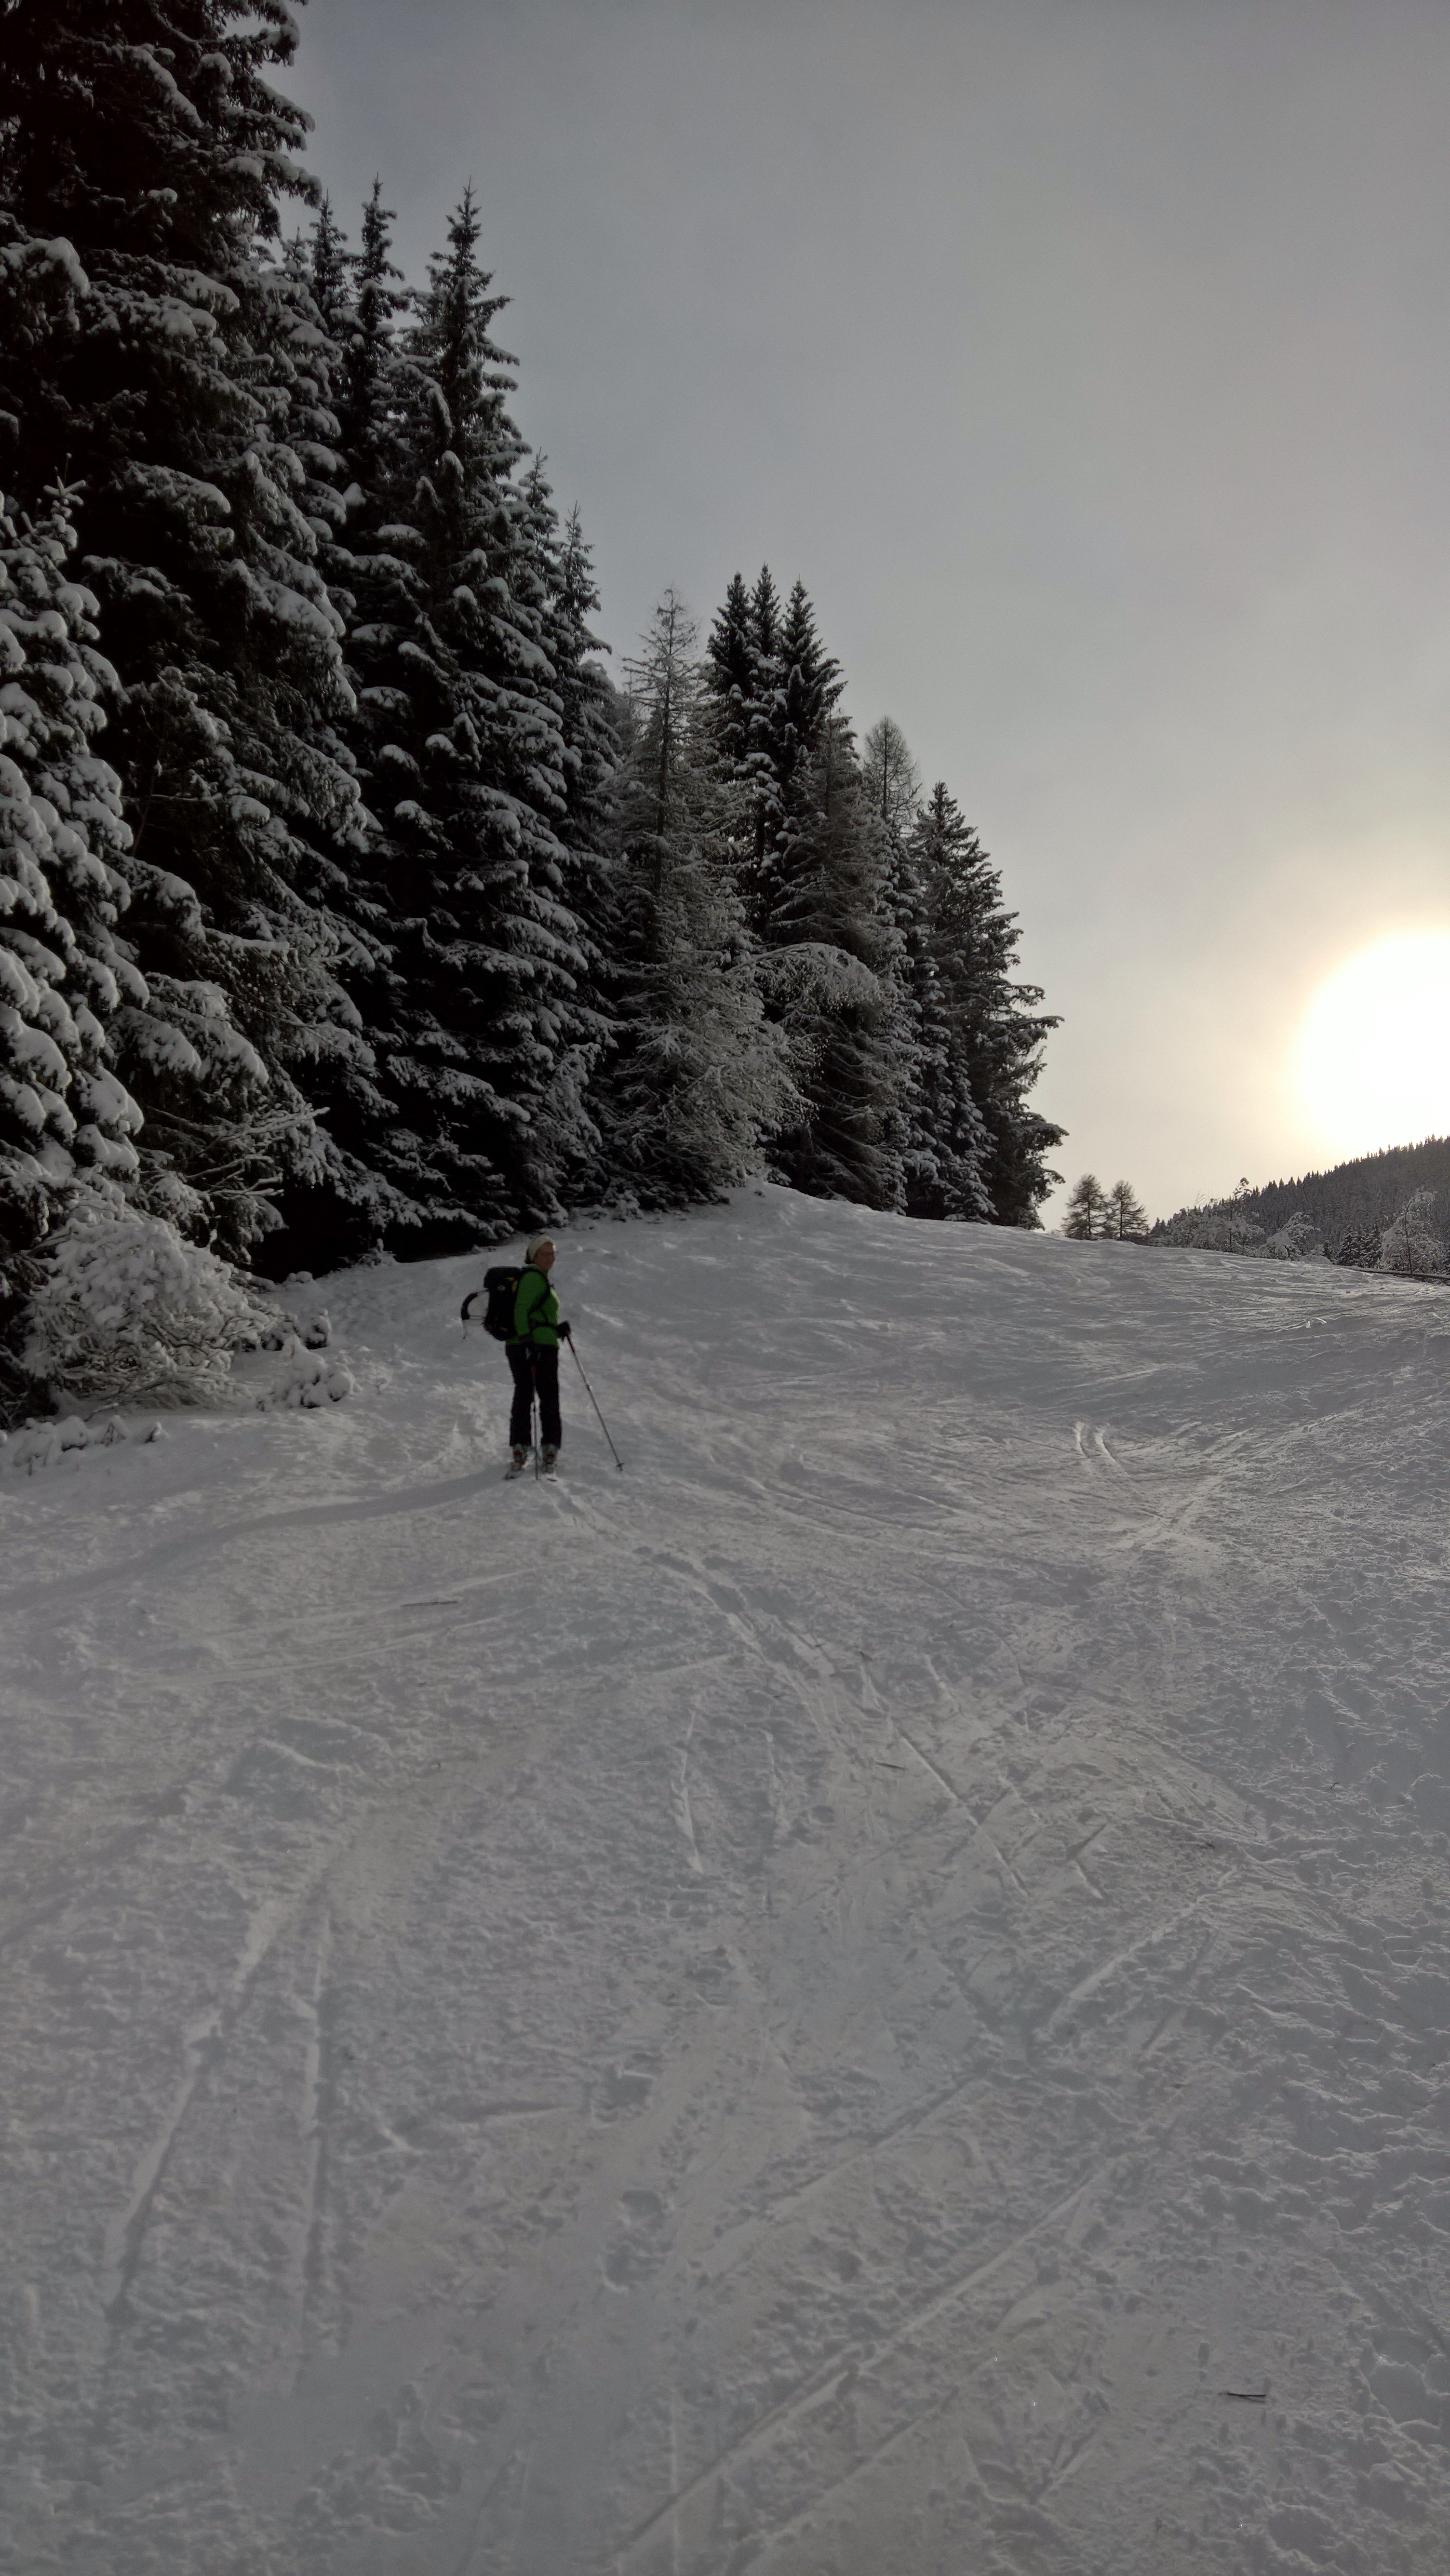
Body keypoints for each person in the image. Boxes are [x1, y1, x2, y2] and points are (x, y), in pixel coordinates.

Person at [507, 1234, 571, 1475]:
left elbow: (536, 1314)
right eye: (545, 1254)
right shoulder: (533, 1278)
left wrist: (556, 1328)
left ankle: (521, 1446)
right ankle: (548, 1446)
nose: (550, 1258)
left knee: (524, 1393)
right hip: (535, 1346)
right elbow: (521, 1310)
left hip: (530, 1343)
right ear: (533, 1256)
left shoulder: (538, 1279)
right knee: (547, 1395)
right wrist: (528, 1341)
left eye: (553, 1253)